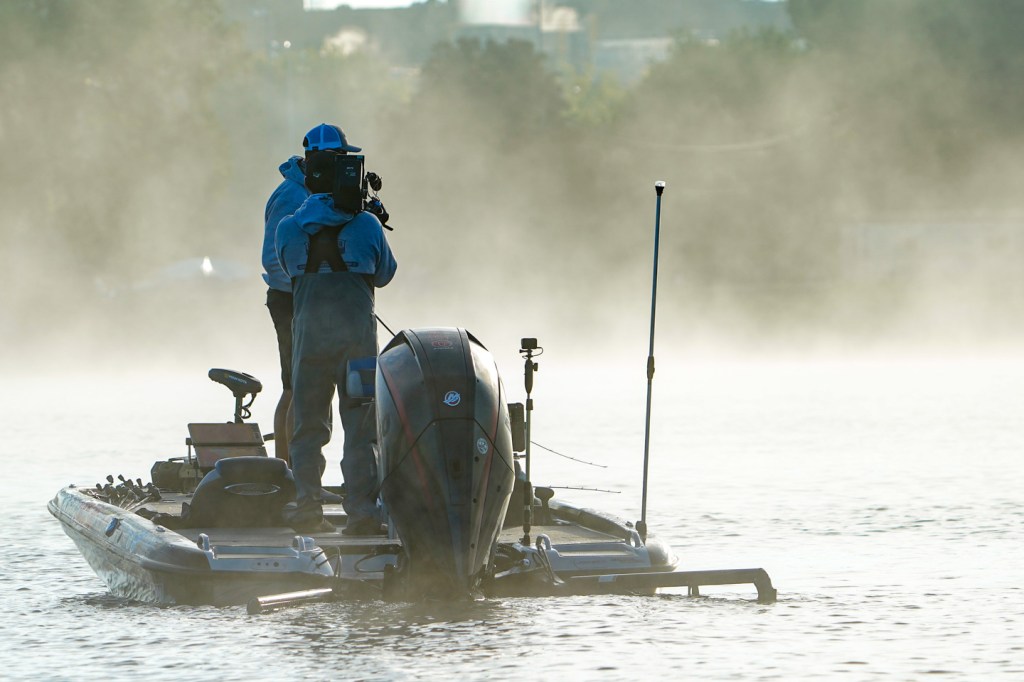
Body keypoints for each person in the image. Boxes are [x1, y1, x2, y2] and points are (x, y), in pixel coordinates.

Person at [275, 131, 398, 535]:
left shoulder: (288, 228)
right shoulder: (367, 226)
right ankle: (362, 513)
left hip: (309, 342)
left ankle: (308, 508)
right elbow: (385, 274)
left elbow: (287, 273)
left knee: (308, 427)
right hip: (357, 345)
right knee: (362, 427)